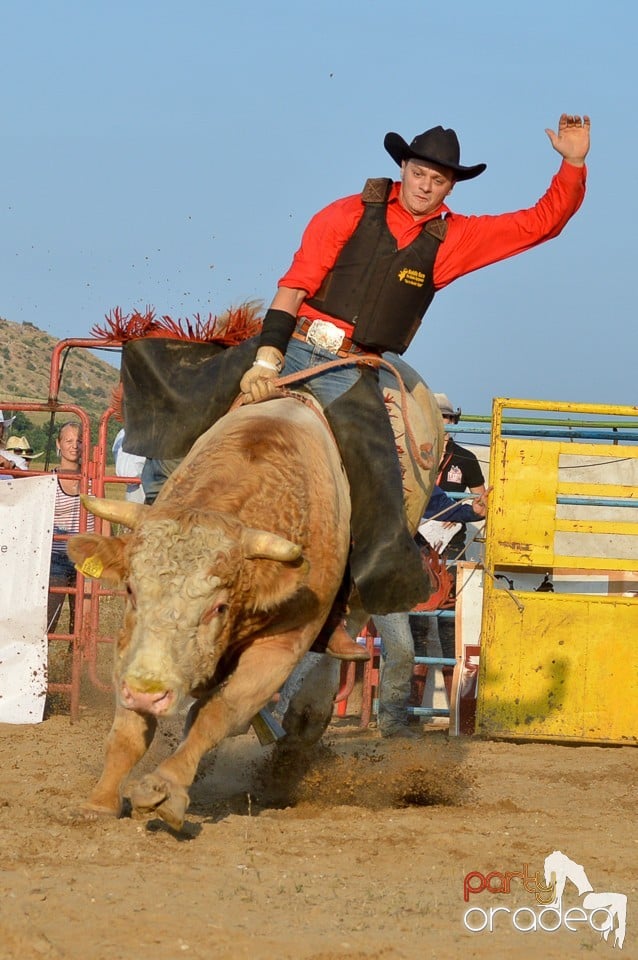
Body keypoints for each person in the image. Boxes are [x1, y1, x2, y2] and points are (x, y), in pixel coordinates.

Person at [237, 114, 590, 644]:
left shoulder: (454, 239)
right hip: (289, 346)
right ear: (403, 168)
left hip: (353, 369)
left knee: (375, 475)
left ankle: (337, 606)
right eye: (420, 172)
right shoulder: (346, 213)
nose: (426, 185)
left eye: (438, 179)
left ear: (450, 186)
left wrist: (573, 162)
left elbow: (540, 223)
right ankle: (158, 525)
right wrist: (265, 361)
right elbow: (294, 286)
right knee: (199, 406)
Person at [375, 485, 487, 738]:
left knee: (403, 649)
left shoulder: (408, 474)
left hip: (383, 573)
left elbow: (436, 503)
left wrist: (472, 512)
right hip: (352, 565)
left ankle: (392, 725)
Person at [430, 392, 487, 659]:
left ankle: (451, 681)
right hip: (416, 543)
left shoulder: (464, 458)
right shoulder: (415, 454)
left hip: (450, 543)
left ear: (454, 421)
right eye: (438, 416)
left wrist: (466, 511)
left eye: (448, 417)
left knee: (448, 616)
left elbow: (481, 499)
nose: (444, 422)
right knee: (415, 619)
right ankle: (412, 693)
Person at [47, 421, 93, 634]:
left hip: (86, 558)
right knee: (48, 621)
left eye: (80, 441)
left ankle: (77, 667)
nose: (75, 446)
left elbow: (102, 522)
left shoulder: (94, 479)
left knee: (83, 624)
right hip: (55, 558)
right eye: (69, 440)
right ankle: (45, 666)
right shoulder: (48, 480)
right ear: (58, 444)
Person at [112, 427, 146, 503]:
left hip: (158, 491)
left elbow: (129, 473)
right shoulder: (125, 432)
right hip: (137, 492)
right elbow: (128, 473)